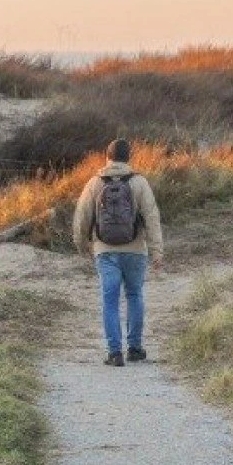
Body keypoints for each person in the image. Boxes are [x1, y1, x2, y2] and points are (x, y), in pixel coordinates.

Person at [73, 138, 164, 366]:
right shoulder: (140, 182)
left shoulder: (95, 182)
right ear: (129, 157)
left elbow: (82, 216)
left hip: (105, 251)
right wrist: (156, 251)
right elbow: (152, 217)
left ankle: (114, 352)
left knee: (110, 300)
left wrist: (81, 244)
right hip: (135, 250)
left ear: (107, 156)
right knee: (134, 295)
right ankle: (134, 348)